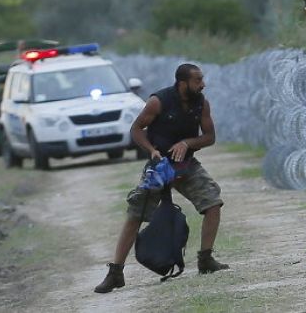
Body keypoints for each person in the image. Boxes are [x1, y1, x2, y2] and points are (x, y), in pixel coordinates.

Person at [94, 64, 229, 294]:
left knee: (213, 202)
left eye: (202, 79)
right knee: (136, 213)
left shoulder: (201, 104)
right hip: (160, 166)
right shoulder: (159, 101)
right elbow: (136, 129)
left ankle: (205, 260)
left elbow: (209, 137)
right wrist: (151, 150)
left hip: (186, 165)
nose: (202, 84)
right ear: (182, 82)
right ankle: (115, 272)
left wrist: (187, 143)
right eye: (197, 80)